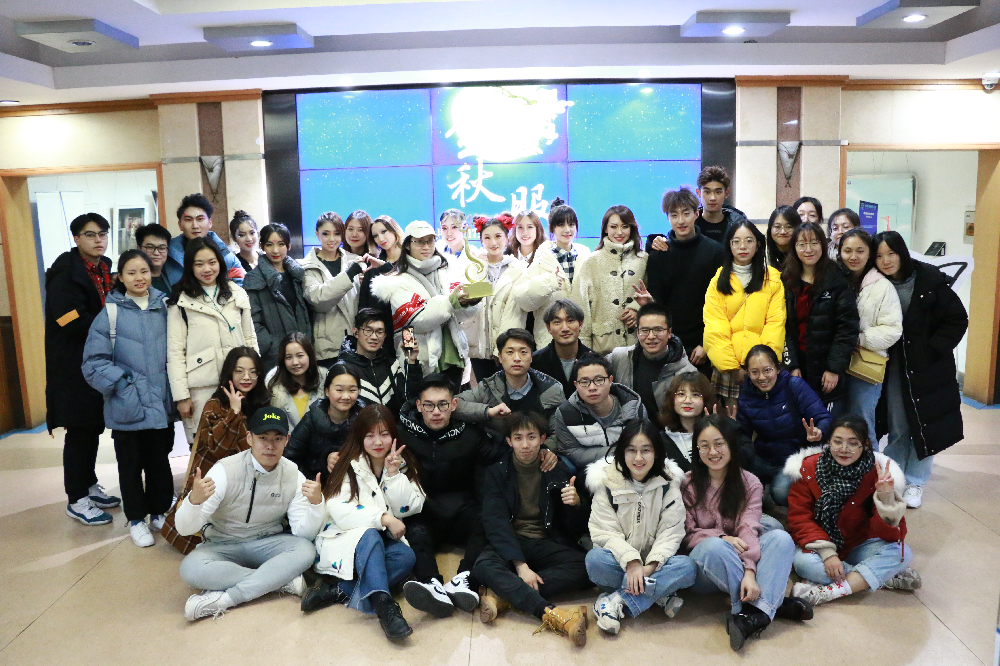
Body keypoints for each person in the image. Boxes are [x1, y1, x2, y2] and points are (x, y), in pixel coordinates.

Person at [399, 374, 557, 618]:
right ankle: (430, 583)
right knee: (414, 531)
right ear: (419, 406)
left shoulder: (469, 433)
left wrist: (542, 451)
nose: (436, 412)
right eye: (429, 405)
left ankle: (464, 578)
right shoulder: (402, 433)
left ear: (454, 405)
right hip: (423, 509)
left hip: (463, 508)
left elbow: (504, 453)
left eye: (443, 405)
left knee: (487, 520)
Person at [176, 407, 324, 621]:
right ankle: (279, 581)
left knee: (305, 550)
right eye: (263, 438)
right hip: (222, 543)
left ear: (287, 440)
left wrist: (316, 504)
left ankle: (225, 600)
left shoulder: (293, 474)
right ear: (249, 438)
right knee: (190, 569)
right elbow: (184, 529)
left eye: (277, 438)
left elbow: (303, 534)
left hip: (267, 542)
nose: (270, 446)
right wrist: (194, 502)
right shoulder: (224, 470)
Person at [683, 415, 812, 651]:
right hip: (706, 567)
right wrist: (722, 537)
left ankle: (751, 615)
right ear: (697, 450)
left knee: (780, 538)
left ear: (731, 445)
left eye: (719, 443)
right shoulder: (687, 484)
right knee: (715, 546)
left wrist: (750, 572)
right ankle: (772, 604)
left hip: (739, 558)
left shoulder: (750, 482)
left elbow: (748, 527)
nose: (713, 452)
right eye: (704, 445)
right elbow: (688, 534)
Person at [307, 405, 425, 641]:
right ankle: (385, 607)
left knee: (405, 557)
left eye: (384, 434)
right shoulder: (347, 464)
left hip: (382, 540)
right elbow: (339, 509)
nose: (377, 442)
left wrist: (393, 475)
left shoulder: (402, 462)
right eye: (370, 435)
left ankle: (340, 591)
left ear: (393, 435)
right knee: (368, 535)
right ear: (360, 437)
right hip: (345, 538)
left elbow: (410, 507)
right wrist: (382, 518)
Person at [473, 412, 591, 646]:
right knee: (483, 566)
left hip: (545, 540)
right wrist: (521, 566)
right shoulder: (497, 472)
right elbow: (495, 522)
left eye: (531, 437)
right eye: (518, 438)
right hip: (512, 540)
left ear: (542, 439)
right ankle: (554, 615)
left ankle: (502, 595)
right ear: (509, 441)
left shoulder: (556, 469)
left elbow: (573, 527)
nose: (525, 445)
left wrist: (577, 504)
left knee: (587, 567)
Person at [82, 249, 173, 546]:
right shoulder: (110, 313)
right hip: (127, 404)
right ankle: (136, 519)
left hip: (160, 402)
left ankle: (158, 512)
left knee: (159, 462)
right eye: (131, 272)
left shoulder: (165, 307)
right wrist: (123, 383)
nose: (139, 278)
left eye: (144, 271)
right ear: (120, 277)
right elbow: (93, 363)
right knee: (130, 467)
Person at [873, 231, 967, 509]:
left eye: (891, 253)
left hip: (927, 367)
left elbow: (957, 319)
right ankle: (893, 477)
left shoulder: (929, 281)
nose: (886, 260)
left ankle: (915, 480)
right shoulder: (875, 283)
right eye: (879, 255)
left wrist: (932, 349)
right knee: (898, 424)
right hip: (894, 366)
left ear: (902, 253)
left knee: (925, 424)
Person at [786, 415, 918, 606]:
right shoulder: (808, 467)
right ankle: (881, 576)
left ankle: (829, 592)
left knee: (902, 554)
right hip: (819, 545)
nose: (844, 449)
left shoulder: (877, 472)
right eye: (837, 441)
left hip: (859, 543)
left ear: (864, 445)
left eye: (853, 443)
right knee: (803, 564)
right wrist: (828, 553)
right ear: (828, 442)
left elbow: (890, 535)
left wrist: (886, 497)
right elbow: (799, 519)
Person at [585, 419, 696, 635]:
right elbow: (605, 532)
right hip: (620, 564)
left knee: (687, 568)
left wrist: (649, 567)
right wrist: (632, 562)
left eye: (646, 450)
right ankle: (657, 592)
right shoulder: (606, 482)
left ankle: (614, 601)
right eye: (631, 450)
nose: (638, 458)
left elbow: (671, 533)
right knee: (594, 561)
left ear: (657, 453)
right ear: (622, 452)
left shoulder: (669, 484)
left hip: (656, 564)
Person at [46, 212, 121, 525]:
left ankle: (88, 485)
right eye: (90, 235)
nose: (98, 240)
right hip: (72, 363)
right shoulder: (65, 273)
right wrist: (112, 329)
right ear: (76, 238)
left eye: (102, 234)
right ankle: (76, 499)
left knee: (92, 426)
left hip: (97, 361)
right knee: (79, 429)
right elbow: (68, 319)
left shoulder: (104, 267)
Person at [161, 346, 271, 554]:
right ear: (229, 373)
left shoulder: (264, 404)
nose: (246, 377)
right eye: (239, 371)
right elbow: (217, 449)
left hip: (250, 479)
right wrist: (234, 412)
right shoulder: (214, 405)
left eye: (253, 371)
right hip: (218, 477)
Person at [371, 220, 483, 393]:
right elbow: (418, 320)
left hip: (454, 355)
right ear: (407, 244)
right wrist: (452, 302)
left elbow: (461, 316)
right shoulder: (394, 281)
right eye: (419, 241)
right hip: (419, 357)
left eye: (430, 241)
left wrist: (471, 303)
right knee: (421, 404)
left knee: (452, 404)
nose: (426, 246)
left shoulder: (448, 268)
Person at [167, 238, 257, 442]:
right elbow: (175, 352)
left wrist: (255, 378)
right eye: (199, 264)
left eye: (212, 262)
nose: (207, 269)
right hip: (202, 389)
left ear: (220, 263)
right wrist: (182, 396)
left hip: (240, 384)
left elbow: (250, 339)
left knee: (242, 442)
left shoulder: (237, 293)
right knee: (207, 446)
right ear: (190, 266)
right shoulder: (180, 301)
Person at [703, 220, 786, 408]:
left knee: (766, 418)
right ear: (729, 245)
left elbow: (775, 324)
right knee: (731, 421)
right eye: (736, 241)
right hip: (728, 370)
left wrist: (762, 364)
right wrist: (731, 367)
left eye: (749, 240)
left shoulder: (772, 279)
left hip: (763, 370)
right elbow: (715, 327)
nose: (743, 246)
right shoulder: (717, 281)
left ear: (758, 244)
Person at [737, 345, 831, 506]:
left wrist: (819, 431)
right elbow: (743, 437)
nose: (761, 377)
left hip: (796, 457)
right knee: (737, 486)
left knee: (780, 492)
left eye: (767, 370)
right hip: (764, 457)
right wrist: (731, 427)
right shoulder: (746, 395)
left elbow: (824, 417)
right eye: (754, 372)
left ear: (777, 368)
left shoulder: (794, 386)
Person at [645, 188, 724, 377]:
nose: (681, 220)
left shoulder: (715, 252)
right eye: (674, 215)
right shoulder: (658, 255)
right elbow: (658, 305)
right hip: (668, 345)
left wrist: (707, 343)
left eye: (686, 213)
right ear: (668, 218)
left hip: (703, 346)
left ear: (696, 214)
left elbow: (722, 305)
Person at [782, 222, 861, 411]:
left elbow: (847, 329)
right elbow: (782, 326)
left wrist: (834, 368)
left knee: (828, 422)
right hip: (798, 365)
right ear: (794, 248)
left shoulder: (837, 279)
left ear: (823, 245)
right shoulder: (786, 280)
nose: (808, 249)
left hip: (827, 368)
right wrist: (791, 365)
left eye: (814, 243)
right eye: (802, 244)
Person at [837, 228, 902, 439]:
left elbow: (892, 330)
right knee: (835, 422)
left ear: (869, 253)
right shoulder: (834, 280)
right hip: (835, 363)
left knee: (862, 424)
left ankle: (871, 461)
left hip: (865, 366)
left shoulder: (882, 286)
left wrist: (859, 339)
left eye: (860, 250)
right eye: (848, 250)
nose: (853, 256)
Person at [455, 328, 564, 436]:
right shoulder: (489, 386)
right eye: (510, 352)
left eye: (523, 352)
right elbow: (454, 405)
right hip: (498, 446)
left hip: (540, 446)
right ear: (500, 357)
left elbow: (559, 433)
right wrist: (488, 411)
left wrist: (543, 447)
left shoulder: (550, 389)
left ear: (531, 357)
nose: (517, 358)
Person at [549, 353, 647, 471]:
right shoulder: (566, 413)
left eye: (599, 380)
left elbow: (644, 445)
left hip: (631, 467)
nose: (592, 387)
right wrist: (618, 451)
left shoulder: (633, 407)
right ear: (576, 385)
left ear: (610, 380)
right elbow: (571, 451)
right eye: (584, 382)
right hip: (587, 470)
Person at [574, 205, 648, 355]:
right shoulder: (592, 261)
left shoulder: (643, 259)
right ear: (605, 229)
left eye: (625, 226)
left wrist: (637, 309)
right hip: (603, 347)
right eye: (613, 227)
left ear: (631, 228)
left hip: (639, 344)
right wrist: (584, 350)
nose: (619, 232)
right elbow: (581, 308)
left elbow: (654, 296)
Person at [606, 302, 696, 423]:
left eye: (658, 330)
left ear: (669, 332)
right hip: (629, 430)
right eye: (645, 330)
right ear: (637, 332)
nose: (651, 336)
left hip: (668, 432)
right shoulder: (620, 358)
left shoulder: (686, 372)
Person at [283, 363, 366, 485]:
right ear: (327, 391)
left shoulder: (365, 420)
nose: (346, 396)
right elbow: (289, 459)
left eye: (352, 390)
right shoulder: (311, 419)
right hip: (316, 486)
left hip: (357, 486)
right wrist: (316, 477)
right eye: (339, 390)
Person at [300, 211, 365, 367]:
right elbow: (318, 300)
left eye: (337, 233)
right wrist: (349, 274)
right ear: (317, 234)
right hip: (326, 347)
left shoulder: (353, 261)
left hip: (356, 343)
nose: (332, 239)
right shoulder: (307, 266)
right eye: (326, 233)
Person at [245, 223, 312, 371]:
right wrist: (272, 346)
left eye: (281, 244)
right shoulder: (254, 279)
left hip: (302, 351)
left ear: (289, 246)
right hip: (276, 356)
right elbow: (252, 321)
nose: (275, 250)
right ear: (262, 246)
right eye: (269, 244)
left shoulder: (297, 274)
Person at [463, 213, 518, 382]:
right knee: (485, 390)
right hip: (480, 346)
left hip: (508, 344)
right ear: (481, 240)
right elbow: (467, 300)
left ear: (507, 237)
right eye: (487, 237)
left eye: (498, 236)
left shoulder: (518, 268)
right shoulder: (472, 268)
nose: (493, 242)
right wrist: (480, 268)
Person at [338, 308, 422, 414]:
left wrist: (411, 361)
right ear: (356, 332)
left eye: (379, 332)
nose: (374, 337)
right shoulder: (343, 369)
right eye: (368, 331)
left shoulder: (392, 365)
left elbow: (410, 400)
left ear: (385, 335)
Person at [503, 210, 567, 348]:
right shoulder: (506, 257)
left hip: (540, 321)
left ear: (538, 229)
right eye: (520, 227)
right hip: (514, 320)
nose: (525, 232)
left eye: (530, 227)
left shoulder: (547, 256)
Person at [163, 193, 244, 286]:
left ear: (210, 223)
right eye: (188, 220)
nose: (195, 226)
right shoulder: (168, 256)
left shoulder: (227, 257)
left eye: (200, 219)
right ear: (180, 224)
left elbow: (239, 289)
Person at [265, 332, 328, 428]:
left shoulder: (326, 382)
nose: (295, 362)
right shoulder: (273, 389)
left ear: (309, 356)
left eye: (300, 356)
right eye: (289, 357)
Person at [531, 299, 592, 398]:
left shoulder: (594, 360)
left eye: (570, 321)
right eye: (557, 322)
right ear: (548, 328)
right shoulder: (534, 362)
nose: (565, 328)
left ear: (580, 324)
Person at [659, 371, 718, 472]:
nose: (687, 400)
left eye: (695, 395)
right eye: (681, 394)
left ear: (706, 399)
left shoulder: (720, 434)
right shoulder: (661, 440)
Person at [358, 215, 405, 319]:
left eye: (384, 232)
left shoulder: (410, 259)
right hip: (380, 326)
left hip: (410, 324)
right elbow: (364, 305)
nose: (380, 238)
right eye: (375, 236)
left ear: (394, 229)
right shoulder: (373, 266)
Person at [538, 197, 591, 289]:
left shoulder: (585, 255)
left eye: (571, 224)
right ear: (551, 228)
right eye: (561, 225)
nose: (567, 230)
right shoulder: (542, 257)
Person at [136, 223, 173, 296]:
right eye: (150, 247)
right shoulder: (134, 282)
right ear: (139, 249)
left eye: (162, 248)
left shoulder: (172, 279)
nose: (156, 253)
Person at [765, 205, 801, 270]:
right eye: (777, 227)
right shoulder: (761, 252)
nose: (783, 232)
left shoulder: (804, 252)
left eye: (789, 227)